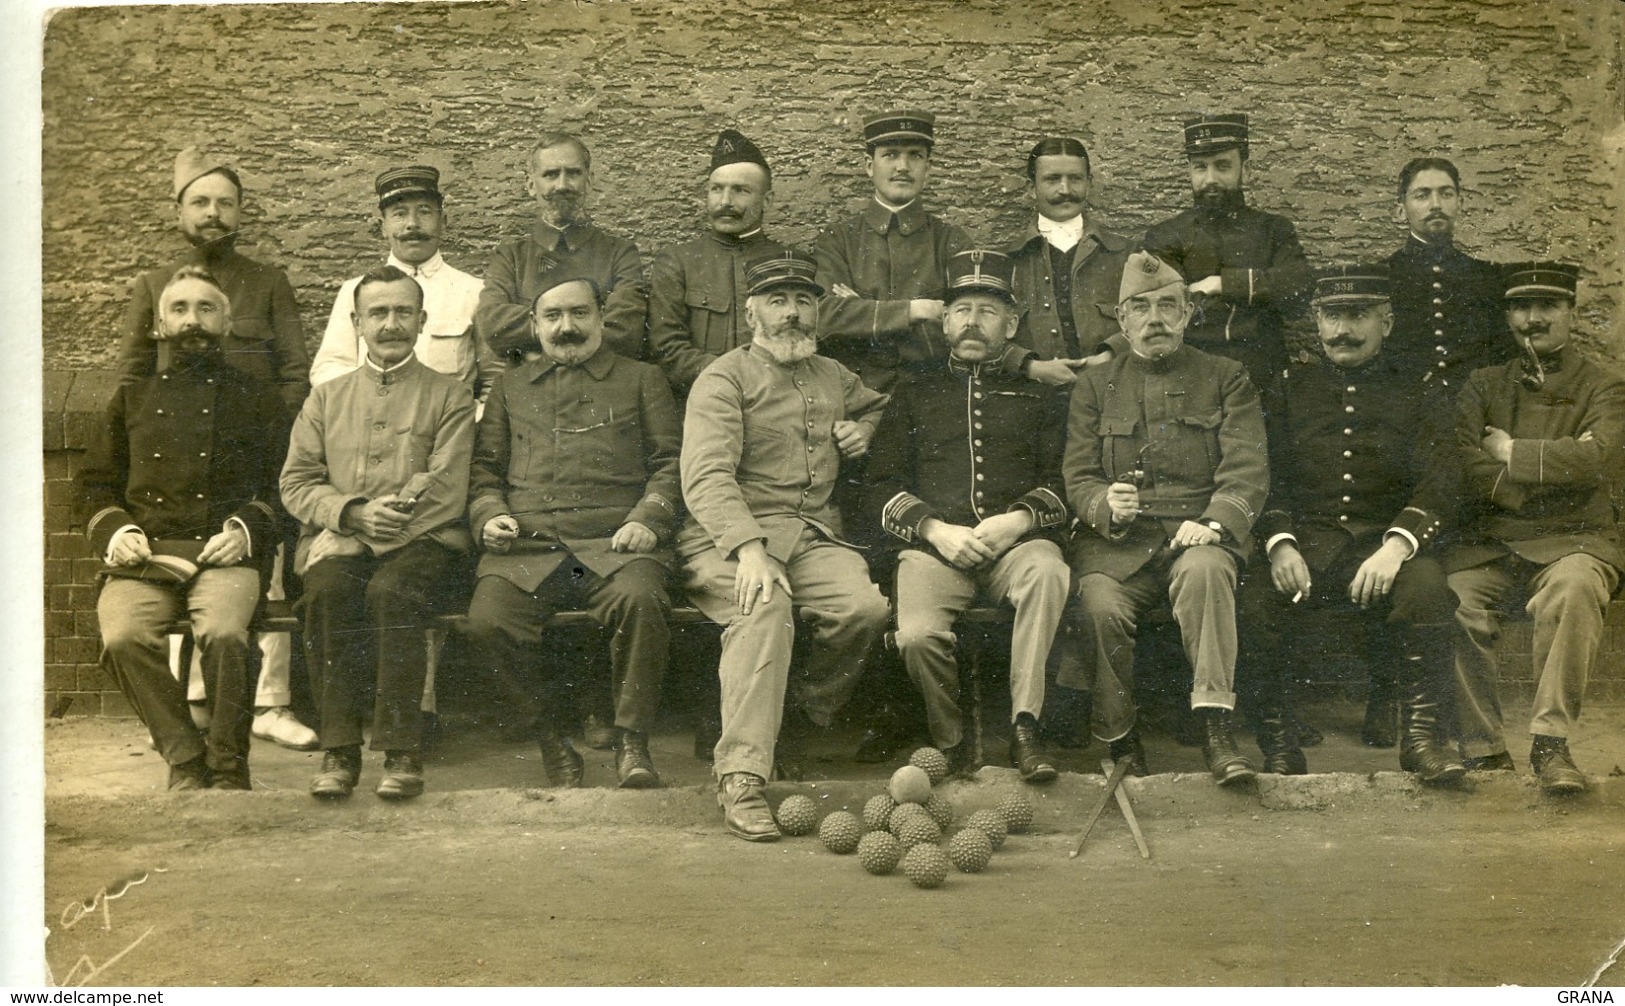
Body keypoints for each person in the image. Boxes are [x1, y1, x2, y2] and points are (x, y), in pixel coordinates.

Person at [679, 250, 890, 840]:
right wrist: (749, 549)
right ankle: (742, 776)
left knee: (864, 610)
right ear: (752, 314)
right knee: (763, 607)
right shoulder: (723, 377)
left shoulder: (831, 375)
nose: (792, 314)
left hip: (813, 534)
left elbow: (878, 406)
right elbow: (706, 477)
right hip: (727, 536)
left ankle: (797, 715)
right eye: (778, 301)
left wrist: (863, 428)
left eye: (803, 301)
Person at [116, 146, 314, 752]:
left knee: (260, 577)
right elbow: (130, 377)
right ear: (179, 211)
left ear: (241, 213)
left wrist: (276, 439)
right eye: (200, 202)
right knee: (175, 578)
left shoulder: (268, 282)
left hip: (251, 449)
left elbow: (294, 370)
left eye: (225, 203)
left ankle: (270, 704)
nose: (213, 213)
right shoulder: (155, 285)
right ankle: (193, 705)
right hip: (172, 456)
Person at [1240, 266, 1465, 783]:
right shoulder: (1289, 388)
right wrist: (1279, 543)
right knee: (1255, 598)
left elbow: (1442, 480)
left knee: (1426, 588)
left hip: (1384, 543)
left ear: (1386, 322)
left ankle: (1423, 744)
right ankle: (1278, 746)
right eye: (1332, 316)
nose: (1343, 330)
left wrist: (1396, 545)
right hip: (1308, 544)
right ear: (1316, 322)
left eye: (1358, 316)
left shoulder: (1420, 388)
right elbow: (1263, 474)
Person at [464, 277, 681, 789]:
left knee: (642, 601)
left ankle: (632, 742)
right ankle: (550, 740)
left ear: (602, 320)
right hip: (532, 546)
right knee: (486, 622)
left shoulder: (642, 378)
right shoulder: (511, 385)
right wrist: (489, 515)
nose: (568, 328)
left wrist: (647, 518)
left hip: (614, 544)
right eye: (553, 316)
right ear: (534, 326)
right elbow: (484, 469)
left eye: (580, 314)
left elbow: (671, 463)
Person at [1063, 251, 1269, 784]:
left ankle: (1216, 731)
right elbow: (1079, 475)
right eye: (1140, 308)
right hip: (1117, 546)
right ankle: (1119, 737)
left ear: (1188, 313)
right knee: (1099, 605)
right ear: (1121, 318)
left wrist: (1217, 523)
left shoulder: (1227, 377)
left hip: (1194, 533)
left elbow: (1246, 464)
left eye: (1167, 306)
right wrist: (1105, 504)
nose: (1154, 320)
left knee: (1206, 572)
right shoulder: (1093, 386)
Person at [79, 266, 288, 790]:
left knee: (222, 633)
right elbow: (93, 485)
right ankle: (184, 757)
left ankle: (227, 763)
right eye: (179, 309)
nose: (192, 320)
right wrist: (116, 532)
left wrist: (246, 529)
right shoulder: (131, 398)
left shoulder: (259, 400)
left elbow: (282, 486)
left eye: (205, 308)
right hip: (145, 558)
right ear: (159, 325)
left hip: (225, 555)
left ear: (227, 321)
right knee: (124, 635)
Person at [866, 249, 1071, 782]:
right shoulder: (916, 390)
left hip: (1018, 545)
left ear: (1012, 322)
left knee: (1049, 573)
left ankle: (1026, 726)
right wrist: (936, 530)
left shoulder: (1039, 394)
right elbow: (880, 484)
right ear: (945, 320)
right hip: (937, 549)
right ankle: (949, 737)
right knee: (914, 635)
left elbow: (1066, 479)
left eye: (988, 309)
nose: (973, 321)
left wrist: (1018, 522)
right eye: (962, 309)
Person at [281, 265, 476, 800]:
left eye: (403, 312)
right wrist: (348, 512)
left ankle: (401, 749)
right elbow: (296, 481)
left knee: (394, 592)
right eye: (378, 313)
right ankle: (339, 750)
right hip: (341, 536)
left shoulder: (449, 395)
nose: (391, 324)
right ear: (357, 322)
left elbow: (446, 484)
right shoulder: (325, 399)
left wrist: (364, 532)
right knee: (326, 590)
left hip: (424, 541)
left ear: (422, 321)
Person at [1447, 262, 1625, 794]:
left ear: (1570, 312)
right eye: (1522, 308)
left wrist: (1510, 452)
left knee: (1574, 589)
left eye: (1547, 306)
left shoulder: (1605, 385)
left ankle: (1550, 743)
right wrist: (1529, 479)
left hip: (1575, 541)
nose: (1534, 319)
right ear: (1507, 317)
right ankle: (1483, 748)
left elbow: (1599, 459)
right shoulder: (1483, 384)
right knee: (1452, 598)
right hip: (1496, 542)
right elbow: (1459, 458)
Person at [1142, 114, 1312, 395]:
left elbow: (1297, 291)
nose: (1210, 179)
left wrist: (1221, 284)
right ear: (1189, 172)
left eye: (1222, 166)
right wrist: (1261, 290)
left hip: (1262, 380)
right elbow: (1165, 307)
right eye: (1200, 167)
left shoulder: (1274, 230)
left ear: (1246, 170)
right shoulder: (1165, 236)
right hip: (1189, 380)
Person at [813, 110, 970, 395]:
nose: (903, 166)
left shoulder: (951, 242)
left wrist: (863, 315)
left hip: (934, 394)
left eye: (915, 155)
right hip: (855, 398)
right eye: (891, 154)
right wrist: (916, 311)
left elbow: (966, 329)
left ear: (928, 167)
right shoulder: (838, 240)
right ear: (868, 166)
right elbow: (822, 319)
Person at [310, 165, 494, 402]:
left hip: (447, 430)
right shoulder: (355, 291)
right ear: (382, 228)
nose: (412, 224)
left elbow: (493, 380)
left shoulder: (473, 292)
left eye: (425, 212)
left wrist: (469, 420)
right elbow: (328, 369)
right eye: (399, 213)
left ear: (443, 222)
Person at [475, 133, 648, 364]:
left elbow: (625, 330)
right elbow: (493, 325)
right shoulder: (511, 258)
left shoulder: (620, 254)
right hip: (530, 391)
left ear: (589, 181)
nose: (562, 185)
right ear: (530, 185)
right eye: (550, 174)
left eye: (573, 173)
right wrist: (586, 327)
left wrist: (537, 340)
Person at [647, 130, 788, 396]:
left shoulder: (787, 262)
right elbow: (666, 347)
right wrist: (734, 378)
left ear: (767, 200)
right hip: (702, 399)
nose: (725, 202)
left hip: (773, 400)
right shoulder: (678, 261)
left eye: (740, 191)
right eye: (716, 189)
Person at [1006, 137, 1131, 388]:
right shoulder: (1007, 260)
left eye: (1075, 178)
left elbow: (1152, 318)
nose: (1065, 190)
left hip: (1113, 391)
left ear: (1089, 184)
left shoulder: (1125, 254)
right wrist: (1029, 366)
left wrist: (1111, 356)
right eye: (1052, 179)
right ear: (1032, 188)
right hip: (1032, 398)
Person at [1384, 156, 1505, 391]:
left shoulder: (1487, 276)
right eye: (1422, 195)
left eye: (1446, 194)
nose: (1436, 204)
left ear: (1461, 203)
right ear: (1401, 210)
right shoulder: (1382, 276)